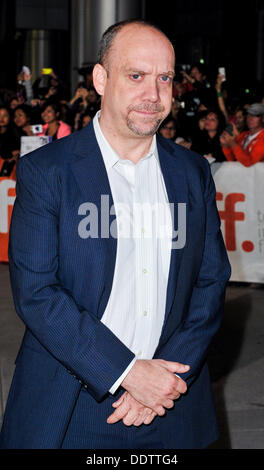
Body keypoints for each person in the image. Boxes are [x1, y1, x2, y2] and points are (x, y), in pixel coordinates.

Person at [0, 19, 230, 450]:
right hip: (74, 400)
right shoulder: (48, 172)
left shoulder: (193, 172)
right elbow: (36, 292)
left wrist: (165, 377)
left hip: (172, 398)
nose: (154, 94)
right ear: (102, 79)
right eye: (136, 75)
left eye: (165, 78)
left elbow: (210, 279)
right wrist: (127, 372)